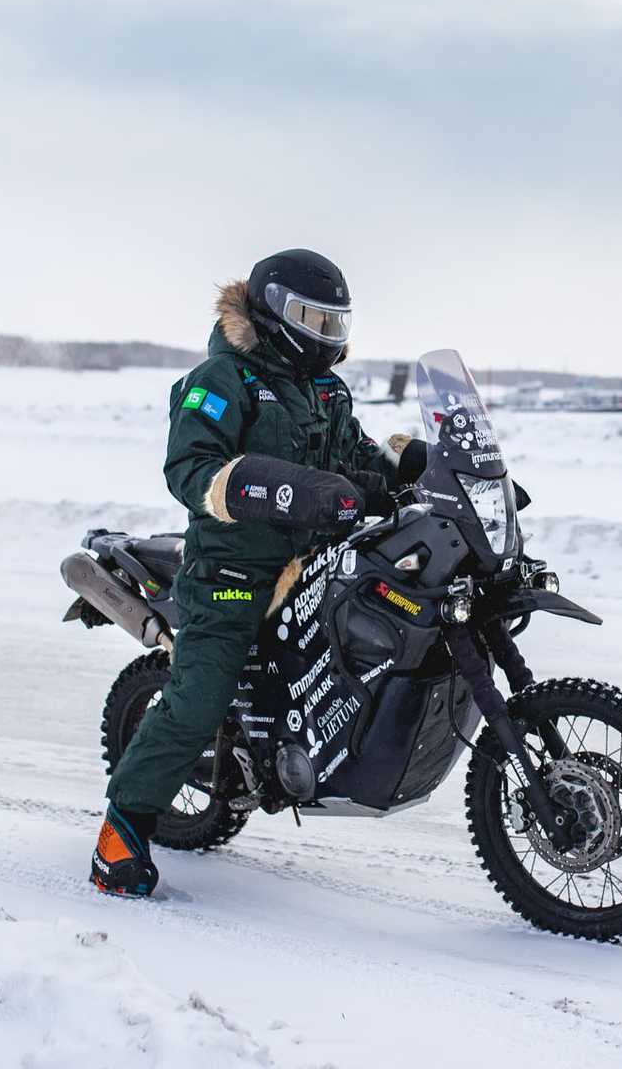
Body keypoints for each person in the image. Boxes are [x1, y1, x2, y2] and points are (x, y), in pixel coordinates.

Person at [91, 249, 413, 896]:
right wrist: (293, 489)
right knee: (199, 699)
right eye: (310, 320)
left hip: (316, 561)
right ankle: (118, 836)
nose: (324, 336)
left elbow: (358, 459)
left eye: (334, 323)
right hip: (232, 571)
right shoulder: (222, 379)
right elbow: (191, 468)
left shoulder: (326, 389)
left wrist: (420, 473)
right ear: (268, 311)